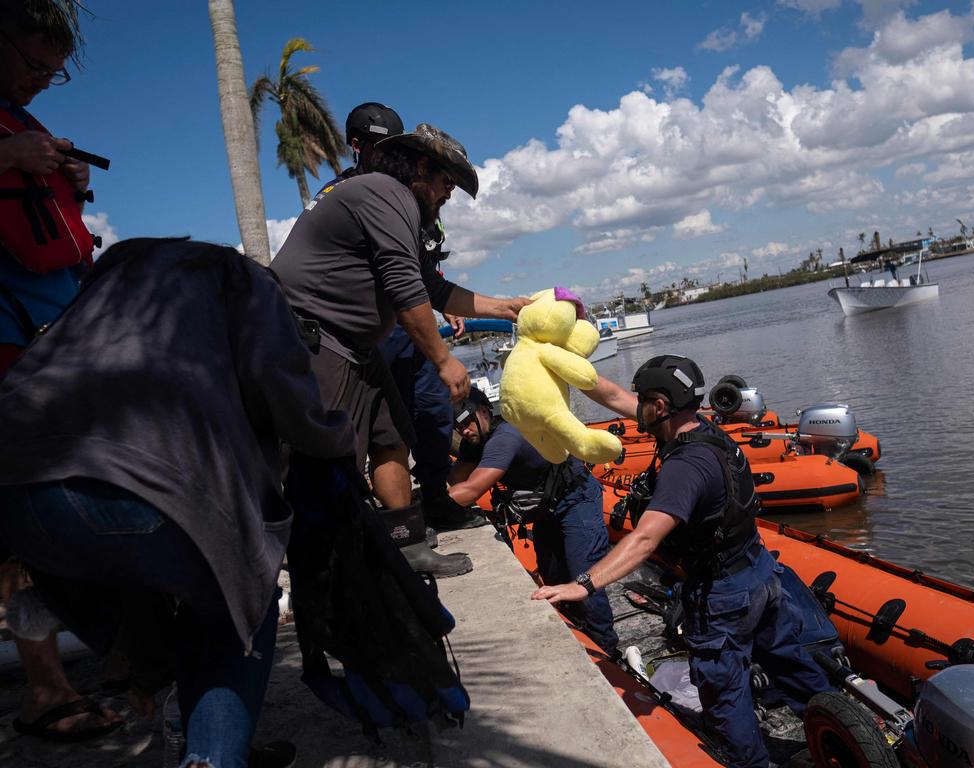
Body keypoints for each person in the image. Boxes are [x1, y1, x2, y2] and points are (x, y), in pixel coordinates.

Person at [0, 238, 352, 767]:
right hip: (134, 483)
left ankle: (184, 713)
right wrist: (338, 440)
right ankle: (212, 755)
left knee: (171, 602)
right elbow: (287, 396)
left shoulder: (100, 294)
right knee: (240, 605)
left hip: (15, 489)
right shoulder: (243, 279)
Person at [532, 355, 833, 768]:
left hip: (724, 594)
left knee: (724, 696)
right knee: (788, 660)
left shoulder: (685, 467)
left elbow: (645, 538)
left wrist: (582, 584)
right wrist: (554, 359)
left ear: (659, 405)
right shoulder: (702, 429)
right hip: (760, 572)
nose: (634, 405)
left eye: (643, 400)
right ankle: (839, 733)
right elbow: (612, 394)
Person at [274, 122, 529, 578]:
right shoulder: (384, 193)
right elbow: (402, 283)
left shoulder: (394, 203)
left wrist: (504, 307)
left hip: (356, 345)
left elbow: (432, 285)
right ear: (421, 168)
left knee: (391, 437)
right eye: (446, 183)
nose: (448, 195)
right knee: (332, 456)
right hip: (313, 339)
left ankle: (407, 545)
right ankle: (325, 564)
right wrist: (444, 359)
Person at [0, 0, 117, 742]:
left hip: (58, 343)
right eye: (33, 63)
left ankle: (93, 662)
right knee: (20, 521)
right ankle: (44, 687)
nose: (44, 81)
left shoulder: (25, 123)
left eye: (55, 70)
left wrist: (70, 179)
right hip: (10, 352)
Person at [447, 387, 619, 655]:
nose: (464, 431)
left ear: (483, 412)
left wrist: (426, 509)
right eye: (457, 427)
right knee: (551, 576)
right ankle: (576, 635)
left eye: (466, 422)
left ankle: (608, 651)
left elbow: (470, 490)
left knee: (583, 578)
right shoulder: (475, 442)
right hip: (546, 509)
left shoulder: (504, 437)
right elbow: (456, 480)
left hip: (576, 499)